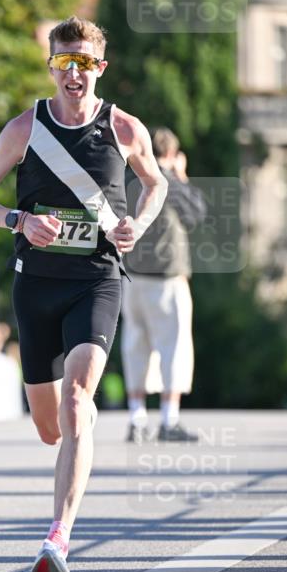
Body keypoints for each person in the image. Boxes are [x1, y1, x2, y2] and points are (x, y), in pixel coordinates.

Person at [0, 15, 167, 572]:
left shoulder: (124, 129)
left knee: (77, 401)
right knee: (51, 427)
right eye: (63, 62)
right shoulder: (24, 130)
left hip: (97, 279)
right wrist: (17, 219)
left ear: (101, 67)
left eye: (84, 63)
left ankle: (58, 539)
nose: (73, 73)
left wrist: (136, 227)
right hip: (36, 286)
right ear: (52, 65)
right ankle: (79, 427)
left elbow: (157, 184)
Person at [121, 127, 207, 443]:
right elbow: (197, 213)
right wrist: (180, 175)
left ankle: (137, 417)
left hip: (131, 278)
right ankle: (169, 420)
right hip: (168, 279)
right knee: (174, 349)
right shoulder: (167, 181)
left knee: (135, 346)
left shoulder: (130, 180)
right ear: (171, 154)